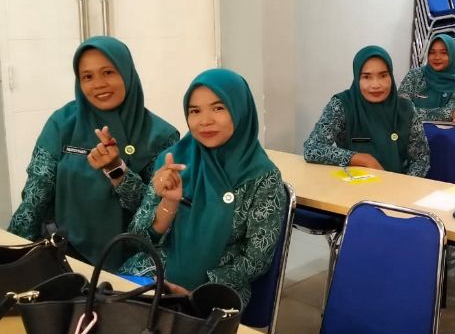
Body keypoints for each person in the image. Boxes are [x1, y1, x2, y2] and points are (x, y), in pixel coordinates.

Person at [8, 36, 178, 271]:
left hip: (132, 260)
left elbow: (151, 214)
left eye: (108, 72)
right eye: (87, 76)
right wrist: (11, 257)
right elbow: (35, 198)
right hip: (62, 254)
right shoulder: (62, 124)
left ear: (126, 72)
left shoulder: (161, 136)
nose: (98, 84)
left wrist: (118, 170)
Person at [120, 68, 285, 308]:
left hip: (215, 291)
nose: (205, 121)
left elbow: (257, 259)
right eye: (195, 111)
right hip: (154, 276)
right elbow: (137, 239)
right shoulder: (173, 161)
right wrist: (169, 202)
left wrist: (196, 290)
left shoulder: (262, 177)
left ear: (240, 110)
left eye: (218, 108)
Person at [303, 45, 430, 177]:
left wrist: (403, 184)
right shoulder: (342, 105)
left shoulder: (405, 108)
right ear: (357, 78)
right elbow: (312, 148)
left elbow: (421, 158)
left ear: (391, 76)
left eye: (383, 75)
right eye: (366, 77)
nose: (376, 85)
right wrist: (363, 159)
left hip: (397, 184)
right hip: (353, 183)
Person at [398, 34, 455, 122]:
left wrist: (411, 113)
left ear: (453, 55)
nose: (437, 57)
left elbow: (449, 114)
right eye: (432, 52)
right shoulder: (415, 75)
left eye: (444, 53)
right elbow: (400, 106)